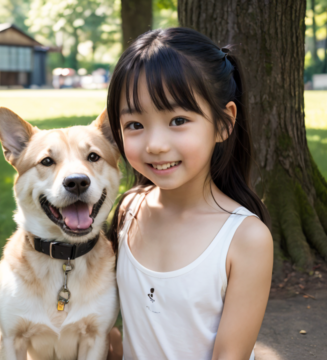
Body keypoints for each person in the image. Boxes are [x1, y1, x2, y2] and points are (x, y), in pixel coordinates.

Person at [106, 27, 273, 360]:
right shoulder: (128, 210)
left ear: (224, 123)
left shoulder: (246, 238)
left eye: (178, 119)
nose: (155, 144)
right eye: (135, 125)